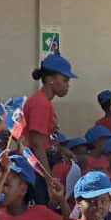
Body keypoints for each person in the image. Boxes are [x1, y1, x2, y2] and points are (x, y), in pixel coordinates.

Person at [23, 54, 77, 182]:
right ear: (50, 79)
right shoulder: (41, 104)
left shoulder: (43, 102)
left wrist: (60, 150)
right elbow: (37, 145)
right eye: (65, 80)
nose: (67, 85)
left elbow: (44, 141)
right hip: (35, 170)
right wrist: (49, 180)